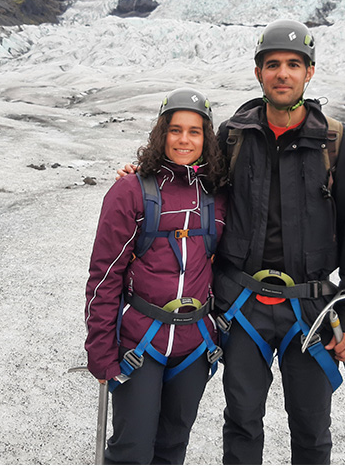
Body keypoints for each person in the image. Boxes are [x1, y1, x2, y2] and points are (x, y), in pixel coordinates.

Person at [213, 20, 345, 465]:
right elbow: (193, 197)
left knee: (310, 428)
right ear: (258, 73)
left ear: (310, 72)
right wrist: (140, 179)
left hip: (311, 310)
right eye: (272, 65)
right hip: (243, 306)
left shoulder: (336, 141)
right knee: (242, 421)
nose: (282, 73)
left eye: (292, 64)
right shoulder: (232, 135)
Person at [85, 87, 228, 465]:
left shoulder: (216, 194)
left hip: (195, 344)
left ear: (206, 138)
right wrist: (99, 348)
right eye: (175, 129)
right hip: (139, 345)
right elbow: (104, 275)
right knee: (131, 449)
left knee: (172, 446)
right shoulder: (130, 191)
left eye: (194, 131)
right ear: (161, 133)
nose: (184, 139)